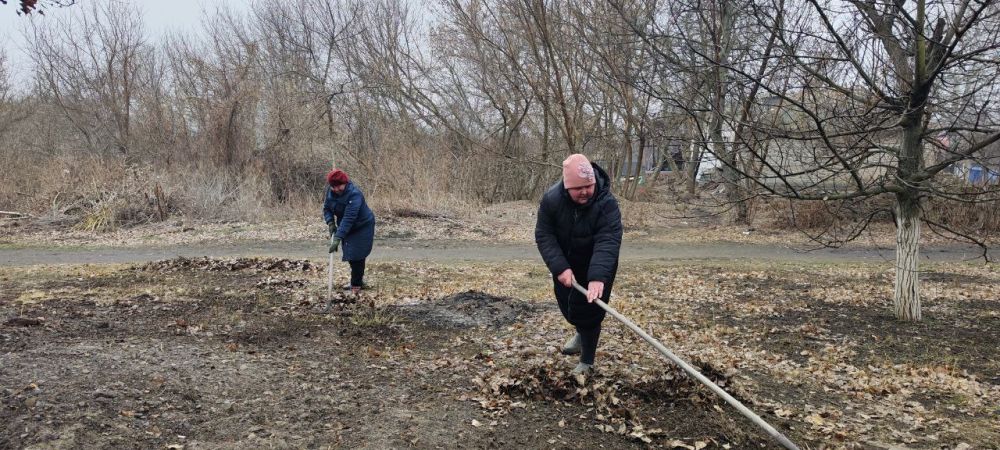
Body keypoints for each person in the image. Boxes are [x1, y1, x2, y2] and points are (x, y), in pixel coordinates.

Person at [535, 154, 623, 376]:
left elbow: (608, 240)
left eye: (589, 186)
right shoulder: (552, 200)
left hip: (597, 265)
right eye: (578, 188)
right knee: (569, 305)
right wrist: (560, 267)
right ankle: (580, 334)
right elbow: (544, 234)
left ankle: (587, 360)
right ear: (567, 186)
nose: (584, 191)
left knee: (591, 311)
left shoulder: (607, 203)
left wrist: (597, 276)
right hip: (566, 263)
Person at [323, 169, 376, 293]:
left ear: (345, 183)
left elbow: (349, 218)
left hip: (362, 226)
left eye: (339, 186)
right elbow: (327, 208)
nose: (336, 189)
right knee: (350, 254)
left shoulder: (354, 194)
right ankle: (358, 280)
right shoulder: (330, 193)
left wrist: (338, 238)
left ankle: (356, 286)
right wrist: (330, 222)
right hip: (347, 227)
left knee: (357, 255)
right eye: (333, 187)